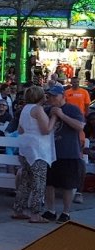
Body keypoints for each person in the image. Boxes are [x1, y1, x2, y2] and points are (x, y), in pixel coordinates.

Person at [41, 84, 85, 223]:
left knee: (68, 185)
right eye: (50, 95)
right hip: (50, 153)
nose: (52, 98)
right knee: (49, 183)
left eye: (55, 95)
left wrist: (61, 115)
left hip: (69, 152)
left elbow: (80, 126)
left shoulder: (72, 109)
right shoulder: (47, 110)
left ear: (63, 96)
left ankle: (66, 212)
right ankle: (51, 210)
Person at [12, 86, 55, 223]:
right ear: (40, 96)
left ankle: (18, 209)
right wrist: (54, 118)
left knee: (25, 181)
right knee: (39, 182)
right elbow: (46, 130)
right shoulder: (37, 109)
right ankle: (36, 214)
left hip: (26, 149)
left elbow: (20, 129)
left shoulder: (25, 108)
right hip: (38, 150)